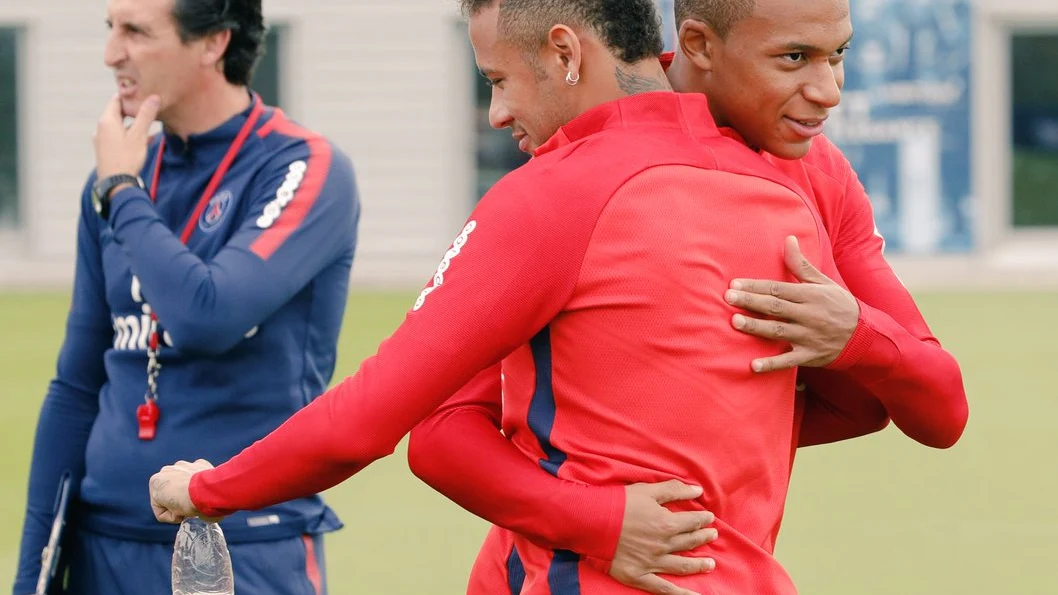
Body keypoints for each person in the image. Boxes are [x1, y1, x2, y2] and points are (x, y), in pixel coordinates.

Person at [149, 0, 891, 593]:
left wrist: (212, 485)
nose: (498, 113)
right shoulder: (781, 189)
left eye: (499, 80)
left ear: (566, 54)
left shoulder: (553, 195)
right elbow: (866, 401)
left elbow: (370, 421)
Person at [405, 0, 970, 593]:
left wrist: (856, 336)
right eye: (795, 57)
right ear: (698, 43)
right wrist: (596, 520)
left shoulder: (819, 176)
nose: (828, 91)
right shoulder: (577, 171)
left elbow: (940, 408)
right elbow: (445, 429)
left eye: (839, 56)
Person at [12, 0, 360, 593]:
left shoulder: (302, 166)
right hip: (103, 546)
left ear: (213, 42)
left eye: (137, 32)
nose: (111, 53)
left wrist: (121, 190)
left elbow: (209, 315)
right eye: (110, 29)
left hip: (244, 544)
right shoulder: (120, 175)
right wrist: (31, 575)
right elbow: (75, 387)